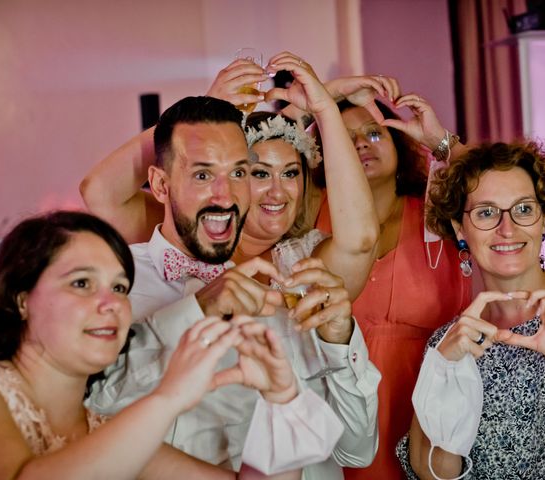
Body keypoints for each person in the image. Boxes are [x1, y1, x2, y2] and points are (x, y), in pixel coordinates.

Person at [82, 52, 382, 480]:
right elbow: (89, 411)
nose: (225, 194)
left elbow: (355, 450)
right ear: (161, 185)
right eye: (204, 174)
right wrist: (196, 309)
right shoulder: (115, 279)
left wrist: (339, 344)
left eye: (239, 172)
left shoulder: (291, 285)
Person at [0, 210, 337, 479]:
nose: (111, 304)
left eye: (119, 288)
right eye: (81, 283)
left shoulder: (107, 432)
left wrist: (281, 400)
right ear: (21, 298)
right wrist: (169, 397)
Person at [397, 141, 545, 479]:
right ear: (459, 229)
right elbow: (433, 475)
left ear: (543, 218)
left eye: (523, 209)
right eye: (486, 212)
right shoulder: (448, 343)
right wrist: (444, 374)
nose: (507, 228)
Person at [304, 80, 473, 479]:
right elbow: (259, 160)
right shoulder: (307, 210)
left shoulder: (440, 212)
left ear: (398, 144)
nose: (361, 144)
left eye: (374, 132)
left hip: (430, 410)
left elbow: (506, 185)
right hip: (336, 409)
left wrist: (441, 141)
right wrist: (316, 98)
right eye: (344, 138)